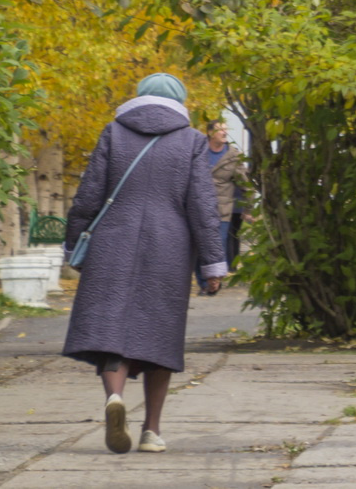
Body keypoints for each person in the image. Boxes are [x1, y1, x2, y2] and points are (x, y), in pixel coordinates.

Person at [62, 73, 226, 455]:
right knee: (159, 335)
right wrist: (212, 263)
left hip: (111, 242)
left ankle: (114, 399)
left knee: (111, 327)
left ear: (139, 97)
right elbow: (202, 205)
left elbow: (89, 193)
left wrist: (73, 244)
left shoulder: (114, 133)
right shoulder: (191, 141)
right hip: (168, 246)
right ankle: (152, 430)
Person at [202, 120, 250, 273]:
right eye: (220, 130)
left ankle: (214, 279)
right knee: (200, 245)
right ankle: (204, 280)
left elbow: (246, 185)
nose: (224, 133)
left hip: (222, 209)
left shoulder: (234, 156)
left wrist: (248, 209)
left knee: (219, 244)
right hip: (199, 207)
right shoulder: (197, 151)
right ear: (210, 133)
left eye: (225, 129)